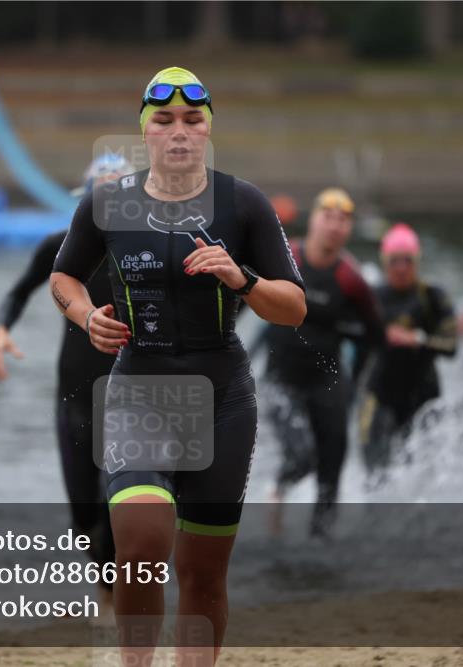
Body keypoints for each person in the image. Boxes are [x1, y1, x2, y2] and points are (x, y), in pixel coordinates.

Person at [50, 66, 306, 666]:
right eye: (164, 121)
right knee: (141, 542)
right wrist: (86, 316)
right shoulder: (107, 204)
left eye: (193, 120)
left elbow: (294, 309)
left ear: (208, 129)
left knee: (202, 573)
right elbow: (62, 277)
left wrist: (240, 276)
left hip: (222, 399)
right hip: (139, 388)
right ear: (147, 132)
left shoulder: (243, 203)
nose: (179, 132)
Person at [0, 154, 134, 617]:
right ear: (84, 199)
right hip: (73, 395)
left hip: (130, 396)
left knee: (121, 499)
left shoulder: (145, 252)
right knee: (82, 520)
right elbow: (20, 290)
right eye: (99, 191)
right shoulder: (61, 247)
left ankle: (116, 597)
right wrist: (0, 330)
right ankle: (108, 583)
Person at [254, 187, 383, 538]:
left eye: (343, 221)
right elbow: (244, 296)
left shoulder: (351, 280)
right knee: (301, 456)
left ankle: (320, 550)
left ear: (348, 230)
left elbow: (374, 335)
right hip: (281, 379)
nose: (335, 226)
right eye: (328, 217)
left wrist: (355, 385)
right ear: (313, 221)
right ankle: (277, 492)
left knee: (331, 469)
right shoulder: (285, 256)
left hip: (328, 381)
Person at [357, 223, 458, 487]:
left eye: (407, 261)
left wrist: (417, 339)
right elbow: (354, 339)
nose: (401, 268)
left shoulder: (433, 298)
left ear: (417, 261)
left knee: (416, 475)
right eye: (394, 261)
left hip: (422, 396)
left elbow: (451, 346)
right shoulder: (371, 297)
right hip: (381, 392)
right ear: (384, 263)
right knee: (374, 470)